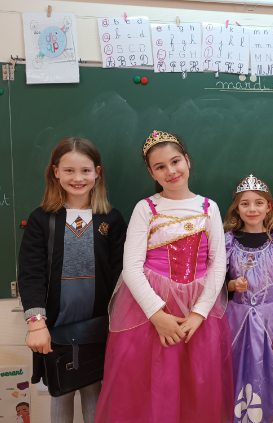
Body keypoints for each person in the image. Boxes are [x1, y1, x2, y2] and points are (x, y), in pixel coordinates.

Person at [95, 130, 233, 422]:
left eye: (175, 161)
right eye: (160, 166)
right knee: (155, 387)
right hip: (150, 312)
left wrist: (198, 314)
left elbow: (218, 264)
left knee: (196, 388)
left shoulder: (209, 208)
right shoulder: (146, 208)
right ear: (151, 172)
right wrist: (157, 315)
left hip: (198, 313)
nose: (170, 171)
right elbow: (131, 267)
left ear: (187, 160)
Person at [18, 137, 126, 423]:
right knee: (60, 392)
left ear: (97, 173)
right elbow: (30, 273)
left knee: (95, 392)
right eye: (69, 170)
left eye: (85, 170)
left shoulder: (111, 219)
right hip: (54, 330)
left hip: (99, 327)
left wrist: (121, 322)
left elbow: (122, 274)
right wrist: (36, 324)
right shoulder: (42, 220)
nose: (78, 178)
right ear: (56, 172)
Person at [224, 174, 273, 423]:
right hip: (235, 323)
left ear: (269, 206)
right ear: (237, 208)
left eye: (258, 203)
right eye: (245, 204)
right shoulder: (229, 241)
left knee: (268, 374)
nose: (252, 209)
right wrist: (232, 285)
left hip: (269, 322)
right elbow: (218, 285)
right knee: (235, 372)